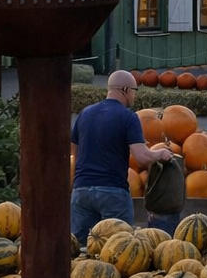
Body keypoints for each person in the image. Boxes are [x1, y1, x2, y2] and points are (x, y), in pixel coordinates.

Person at [71, 70, 175, 241]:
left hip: (81, 191)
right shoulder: (128, 117)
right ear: (125, 90)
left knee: (81, 248)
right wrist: (160, 153)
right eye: (134, 90)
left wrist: (77, 178)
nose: (134, 95)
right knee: (119, 248)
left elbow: (73, 149)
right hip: (112, 192)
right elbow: (141, 156)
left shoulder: (85, 113)